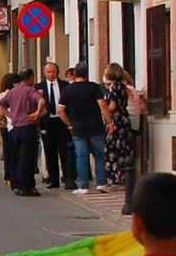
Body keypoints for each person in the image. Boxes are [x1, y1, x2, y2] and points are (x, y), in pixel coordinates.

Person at [58, 64, 107, 192]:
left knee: (81, 156)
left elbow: (61, 110)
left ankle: (83, 185)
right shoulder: (93, 87)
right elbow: (103, 105)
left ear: (74, 74)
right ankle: (101, 183)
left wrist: (69, 123)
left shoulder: (68, 90)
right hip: (96, 126)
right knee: (99, 155)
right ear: (87, 73)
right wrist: (109, 121)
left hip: (78, 127)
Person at [4, 69, 45, 197]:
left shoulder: (13, 92)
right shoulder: (30, 90)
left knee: (17, 156)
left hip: (16, 128)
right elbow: (42, 101)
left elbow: (0, 105)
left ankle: (16, 184)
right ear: (31, 78)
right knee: (27, 158)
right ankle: (26, 186)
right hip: (28, 126)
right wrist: (37, 113)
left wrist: (11, 115)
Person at [38, 62, 75, 190]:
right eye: (48, 72)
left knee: (65, 150)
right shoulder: (39, 87)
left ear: (57, 72)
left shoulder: (65, 86)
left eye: (53, 71)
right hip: (47, 122)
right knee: (50, 152)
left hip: (62, 121)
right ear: (44, 73)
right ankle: (53, 179)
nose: (51, 74)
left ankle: (68, 177)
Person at [100, 64, 138, 190]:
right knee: (121, 148)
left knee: (114, 149)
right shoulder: (121, 86)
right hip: (122, 119)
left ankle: (117, 179)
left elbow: (112, 106)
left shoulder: (115, 86)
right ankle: (118, 178)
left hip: (116, 120)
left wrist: (103, 109)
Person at [0, 72, 18, 188]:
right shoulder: (4, 95)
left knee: (10, 150)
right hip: (6, 125)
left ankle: (10, 174)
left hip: (8, 124)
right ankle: (8, 174)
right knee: (8, 150)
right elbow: (0, 109)